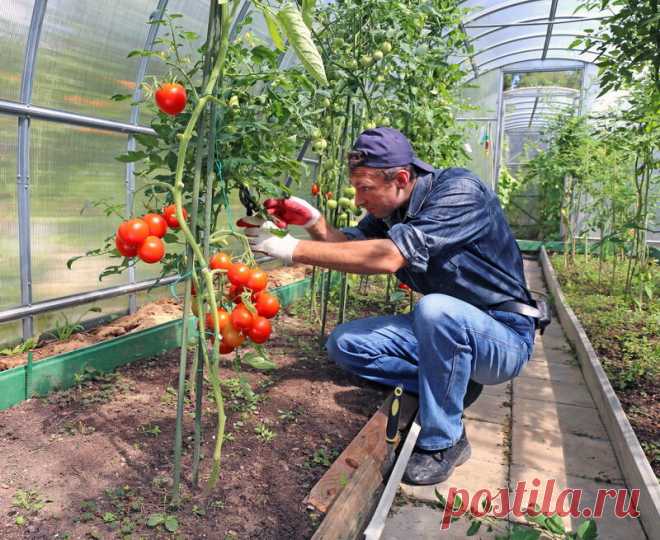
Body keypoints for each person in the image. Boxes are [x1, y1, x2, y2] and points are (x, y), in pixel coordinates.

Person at [243, 127, 536, 486]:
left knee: (435, 309)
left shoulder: (459, 192)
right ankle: (449, 385)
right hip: (444, 330)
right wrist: (314, 223)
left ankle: (444, 441)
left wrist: (289, 249)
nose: (358, 199)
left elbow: (387, 256)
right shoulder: (391, 209)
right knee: (346, 343)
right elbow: (351, 247)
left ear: (400, 178)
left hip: (502, 334)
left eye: (364, 188)